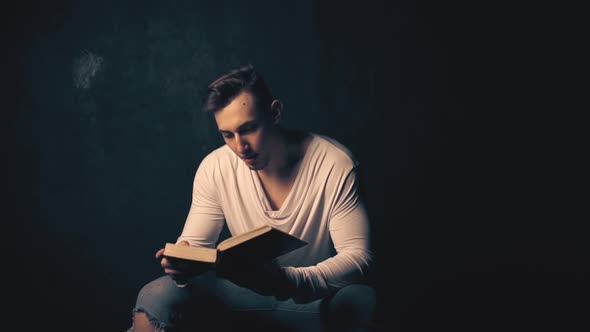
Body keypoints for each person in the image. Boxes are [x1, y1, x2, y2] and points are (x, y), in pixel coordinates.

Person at [127, 64, 377, 332]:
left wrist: (288, 281)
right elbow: (194, 248)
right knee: (156, 295)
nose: (240, 146)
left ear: (275, 113)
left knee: (360, 301)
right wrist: (181, 263)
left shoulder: (333, 163)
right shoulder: (214, 167)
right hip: (244, 295)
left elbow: (358, 257)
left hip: (313, 300)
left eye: (248, 129)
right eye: (227, 135)